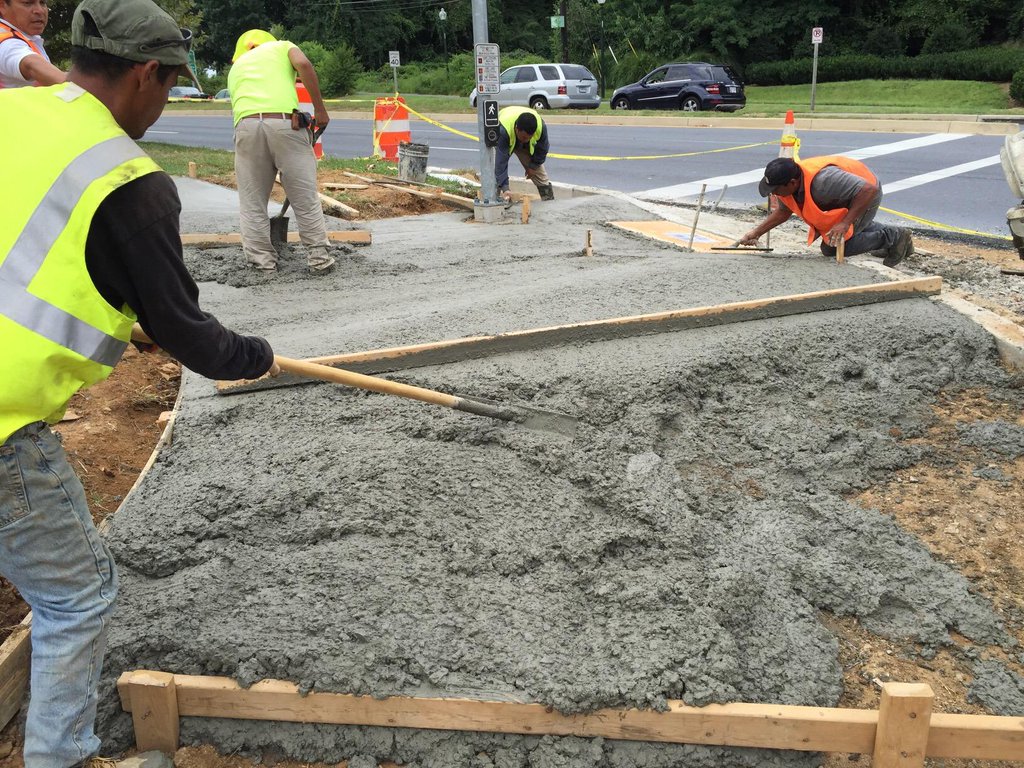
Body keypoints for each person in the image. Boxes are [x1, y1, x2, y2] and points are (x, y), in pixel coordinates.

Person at [0, 1, 279, 766]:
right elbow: (194, 339)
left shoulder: (12, 113)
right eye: (169, 86)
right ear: (145, 75)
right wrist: (256, 354)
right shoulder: (129, 182)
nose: (164, 105)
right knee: (75, 597)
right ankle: (60, 756)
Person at [227, 29, 334, 273]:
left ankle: (262, 265)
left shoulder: (236, 68)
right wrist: (320, 109)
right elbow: (304, 64)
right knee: (304, 196)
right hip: (286, 124)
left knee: (253, 202)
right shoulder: (282, 46)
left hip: (246, 128)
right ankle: (319, 260)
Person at [739, 156, 914, 266]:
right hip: (842, 196)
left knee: (830, 248)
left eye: (775, 189)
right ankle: (879, 233)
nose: (773, 193)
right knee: (844, 230)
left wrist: (845, 223)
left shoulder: (825, 181)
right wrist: (755, 233)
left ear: (792, 182)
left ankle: (894, 237)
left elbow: (868, 190)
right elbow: (784, 212)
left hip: (865, 192)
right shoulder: (788, 188)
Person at [495, 106, 555, 202]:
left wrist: (533, 166)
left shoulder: (541, 127)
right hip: (504, 138)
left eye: (529, 137)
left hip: (523, 146)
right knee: (495, 171)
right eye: (524, 137)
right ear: (517, 129)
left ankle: (549, 202)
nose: (526, 140)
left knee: (541, 176)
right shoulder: (503, 131)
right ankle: (493, 200)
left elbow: (542, 149)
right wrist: (505, 187)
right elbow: (500, 162)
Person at [0, 0, 65, 88]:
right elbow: (29, 64)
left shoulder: (26, 36)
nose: (40, 11)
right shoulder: (7, 42)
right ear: (2, 6)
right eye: (28, 3)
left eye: (42, 3)